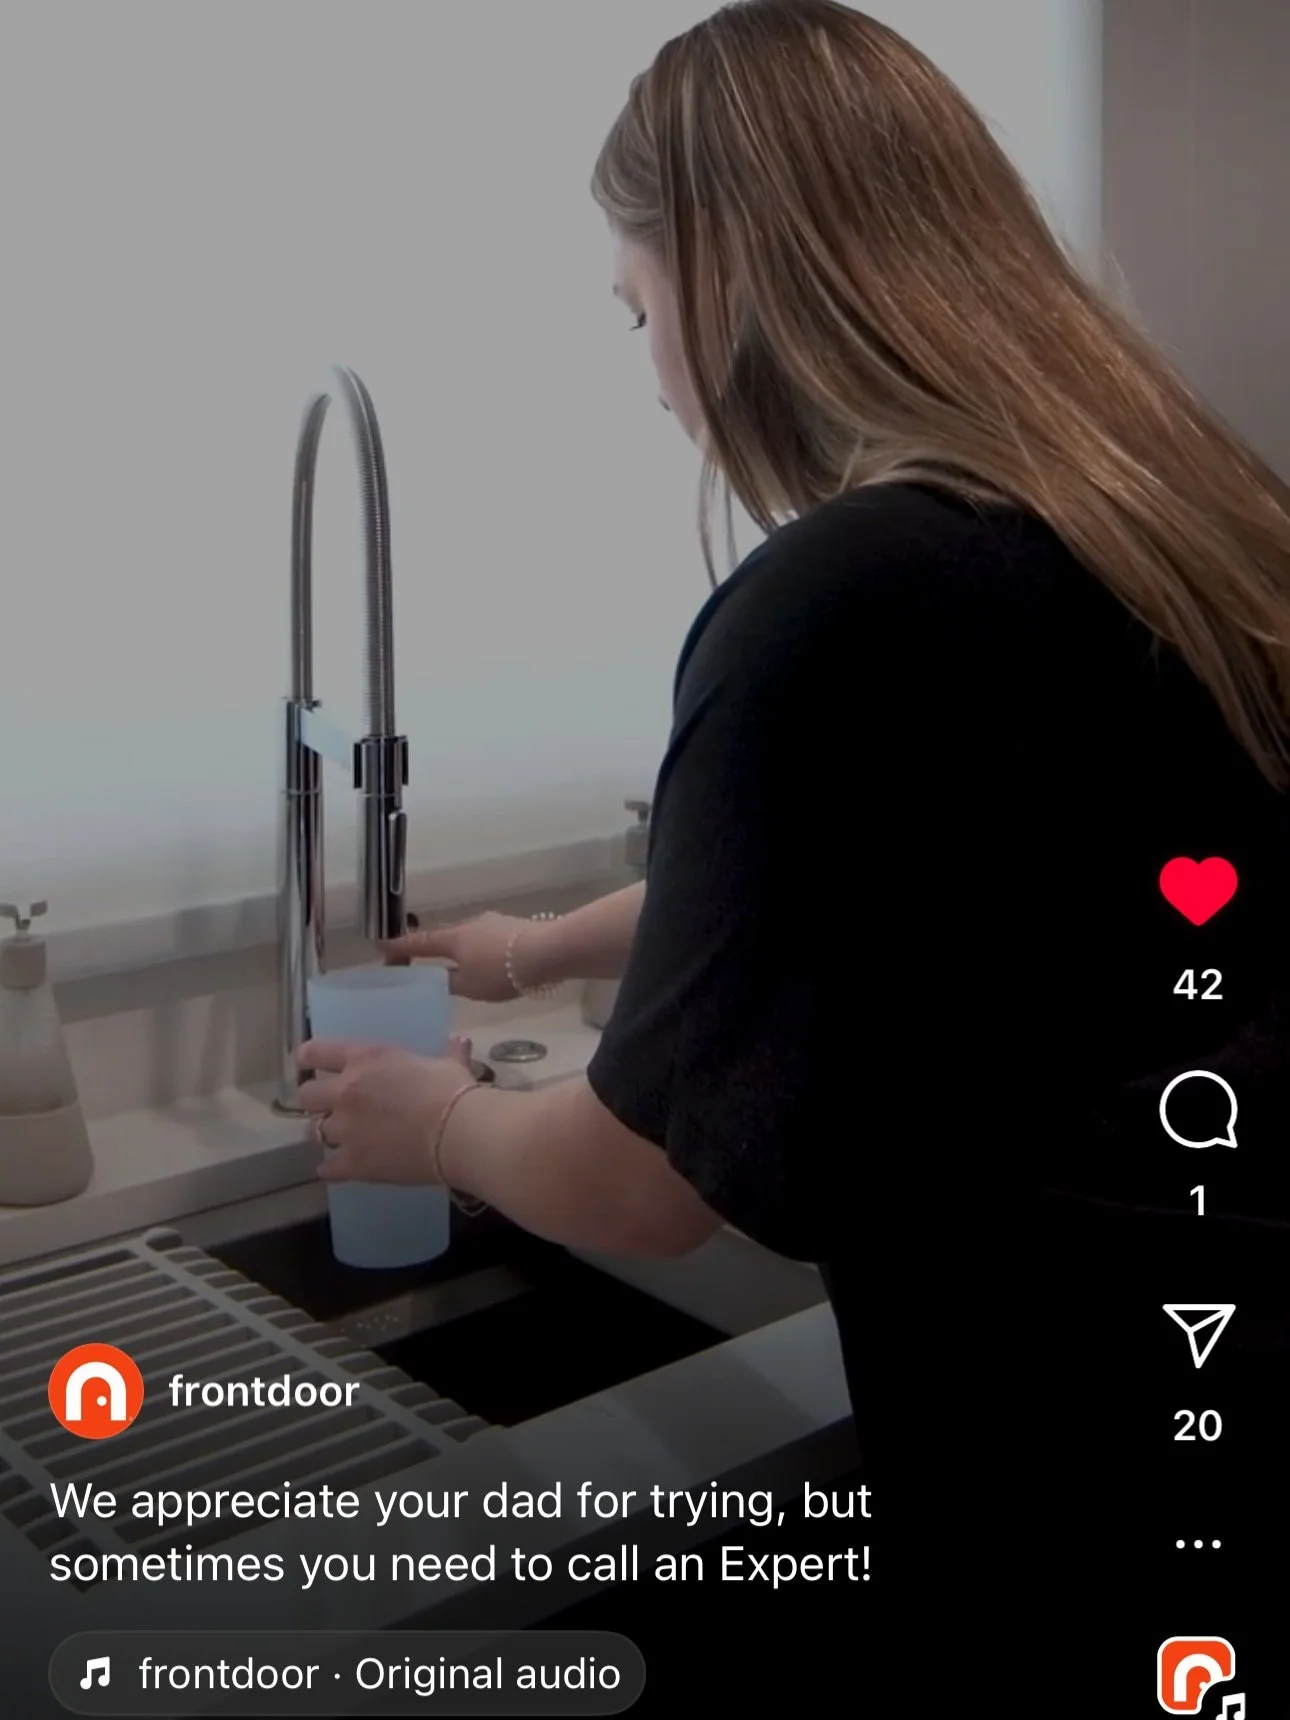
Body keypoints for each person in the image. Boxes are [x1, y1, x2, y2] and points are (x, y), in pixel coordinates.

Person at [298, 1, 1290, 1701]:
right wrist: (537, 948)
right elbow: (909, 877)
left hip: (1080, 1462)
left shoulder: (846, 593)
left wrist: (434, 1120)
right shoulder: (1170, 516)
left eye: (638, 312)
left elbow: (639, 1190)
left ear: (722, 262)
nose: (653, 379)